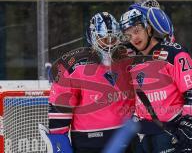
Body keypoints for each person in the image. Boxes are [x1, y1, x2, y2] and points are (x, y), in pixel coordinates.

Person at [41, 12, 135, 153]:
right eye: (103, 39)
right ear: (92, 37)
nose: (109, 45)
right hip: (88, 141)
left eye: (113, 39)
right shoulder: (74, 65)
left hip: (125, 139)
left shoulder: (128, 59)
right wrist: (58, 140)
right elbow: (60, 106)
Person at [119, 5, 192, 153]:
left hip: (170, 133)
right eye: (128, 35)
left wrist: (187, 126)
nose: (133, 38)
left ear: (148, 28)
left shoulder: (173, 53)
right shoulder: (130, 59)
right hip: (143, 137)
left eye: (136, 31)